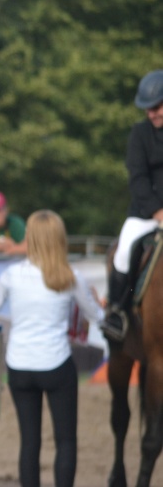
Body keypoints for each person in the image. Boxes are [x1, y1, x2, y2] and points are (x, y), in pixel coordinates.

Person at [0, 210, 104, 487]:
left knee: (29, 442)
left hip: (20, 368)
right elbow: (97, 317)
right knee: (66, 440)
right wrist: (96, 300)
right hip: (56, 366)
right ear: (59, 239)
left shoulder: (11, 274)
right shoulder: (71, 276)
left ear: (30, 238)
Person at [101, 69, 163, 341]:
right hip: (146, 212)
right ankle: (117, 312)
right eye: (148, 109)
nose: (152, 113)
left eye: (157, 107)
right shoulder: (139, 134)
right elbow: (137, 177)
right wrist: (157, 211)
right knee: (124, 251)